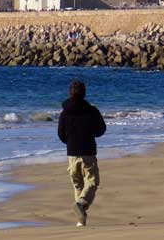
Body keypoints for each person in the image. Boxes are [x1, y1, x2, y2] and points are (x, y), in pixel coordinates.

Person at [57, 79, 106, 227]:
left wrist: (70, 141)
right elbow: (101, 130)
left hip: (72, 152)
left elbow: (60, 134)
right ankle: (81, 204)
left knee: (78, 184)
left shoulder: (64, 112)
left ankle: (80, 219)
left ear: (70, 93)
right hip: (88, 151)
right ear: (84, 94)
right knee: (92, 182)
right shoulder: (92, 110)